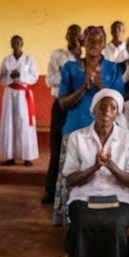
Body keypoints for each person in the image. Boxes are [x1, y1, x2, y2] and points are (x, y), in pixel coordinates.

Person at [62, 89, 129, 257]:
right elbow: (71, 179)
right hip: (84, 196)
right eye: (102, 106)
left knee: (115, 225)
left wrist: (111, 166)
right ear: (93, 109)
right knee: (81, 222)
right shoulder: (77, 138)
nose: (106, 111)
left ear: (118, 113)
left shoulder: (128, 139)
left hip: (118, 198)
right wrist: (95, 167)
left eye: (112, 107)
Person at [54, 26, 126, 226]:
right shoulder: (70, 67)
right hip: (75, 129)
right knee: (74, 175)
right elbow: (63, 103)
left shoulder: (113, 68)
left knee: (101, 176)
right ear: (83, 43)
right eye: (90, 40)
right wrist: (84, 87)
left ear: (104, 44)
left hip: (106, 132)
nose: (95, 44)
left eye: (99, 40)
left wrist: (101, 87)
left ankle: (101, 221)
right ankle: (70, 219)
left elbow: (119, 102)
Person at [42, 24, 82, 203]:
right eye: (71, 34)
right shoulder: (57, 55)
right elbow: (49, 79)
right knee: (56, 149)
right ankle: (51, 190)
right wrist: (67, 76)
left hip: (81, 106)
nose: (74, 38)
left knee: (80, 150)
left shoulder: (86, 58)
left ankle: (76, 191)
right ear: (66, 36)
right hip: (61, 104)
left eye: (77, 35)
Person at [0, 34, 40, 165]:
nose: (16, 45)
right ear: (11, 44)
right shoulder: (7, 60)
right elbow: (2, 79)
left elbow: (34, 77)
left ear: (22, 44)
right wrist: (10, 76)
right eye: (13, 43)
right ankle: (10, 156)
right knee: (9, 122)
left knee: (24, 124)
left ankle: (27, 157)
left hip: (23, 94)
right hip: (10, 93)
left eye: (18, 43)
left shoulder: (29, 60)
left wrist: (21, 75)